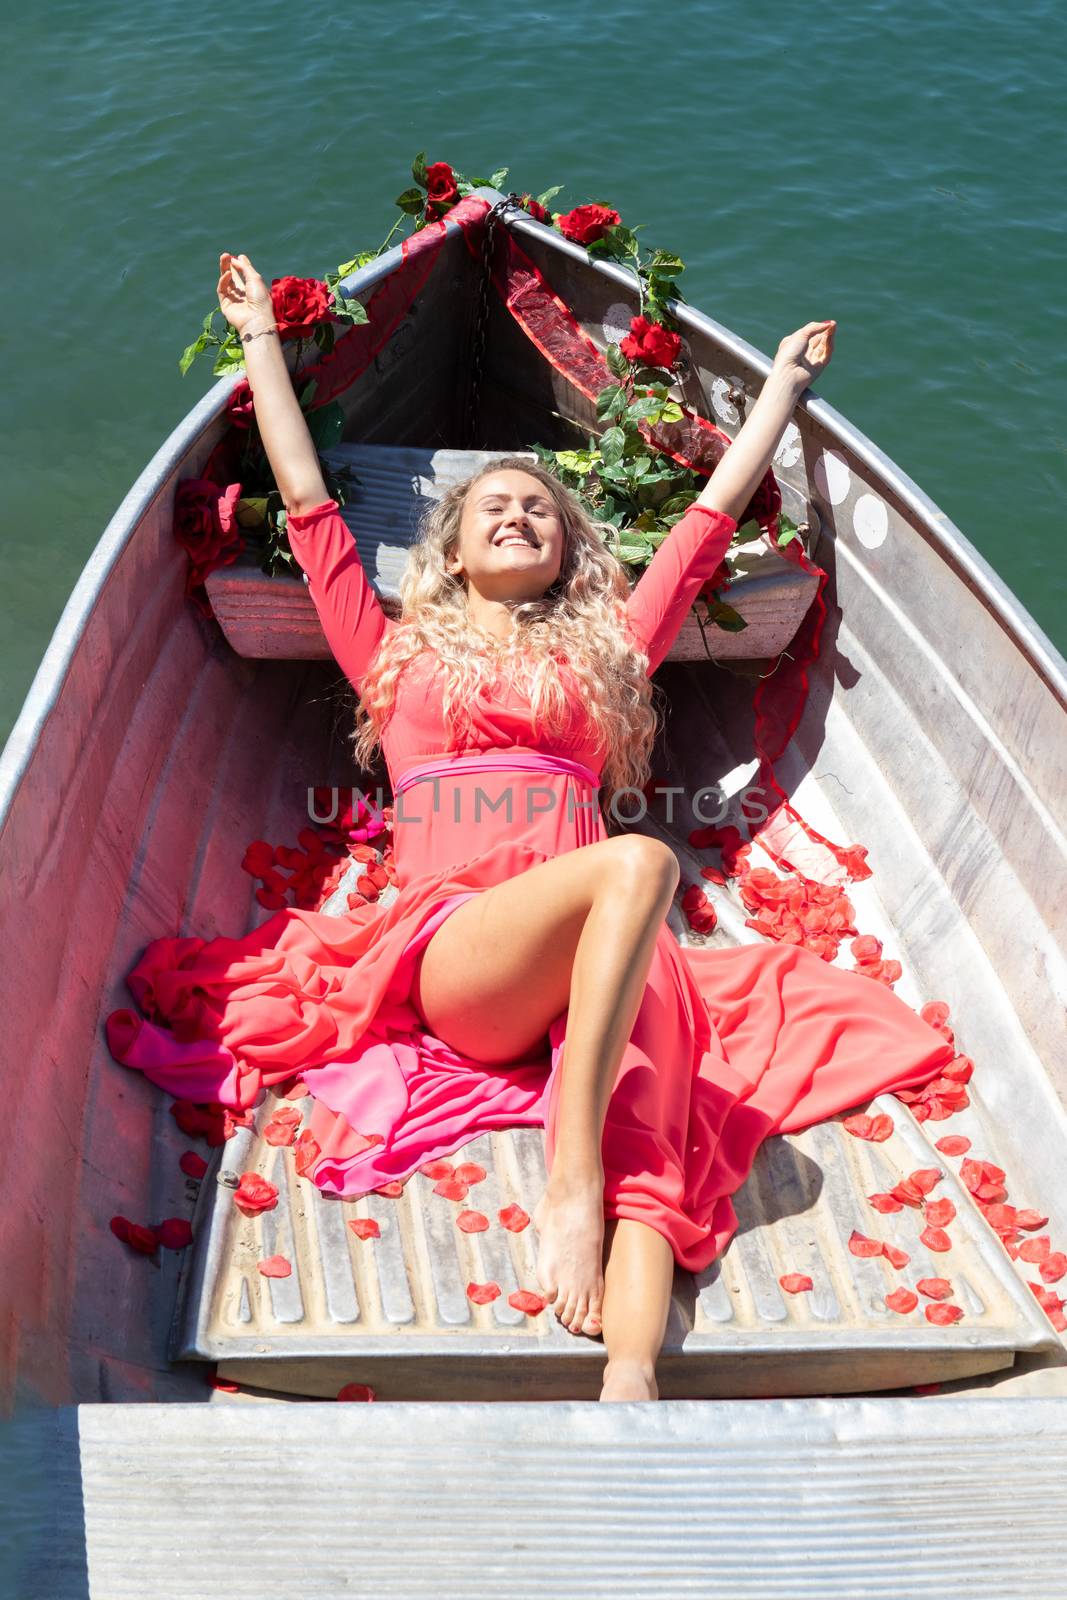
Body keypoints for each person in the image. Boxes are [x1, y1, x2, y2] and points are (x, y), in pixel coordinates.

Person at [106, 249, 956, 1404]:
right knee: (638, 865)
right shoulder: (392, 651)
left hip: (613, 947)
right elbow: (308, 506)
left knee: (661, 1130)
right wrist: (260, 336)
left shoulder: (605, 656)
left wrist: (778, 397)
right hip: (466, 952)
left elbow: (703, 528)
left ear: (566, 555)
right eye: (493, 508)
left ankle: (632, 1372)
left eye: (540, 512)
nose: (518, 514)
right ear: (448, 551)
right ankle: (567, 1181)